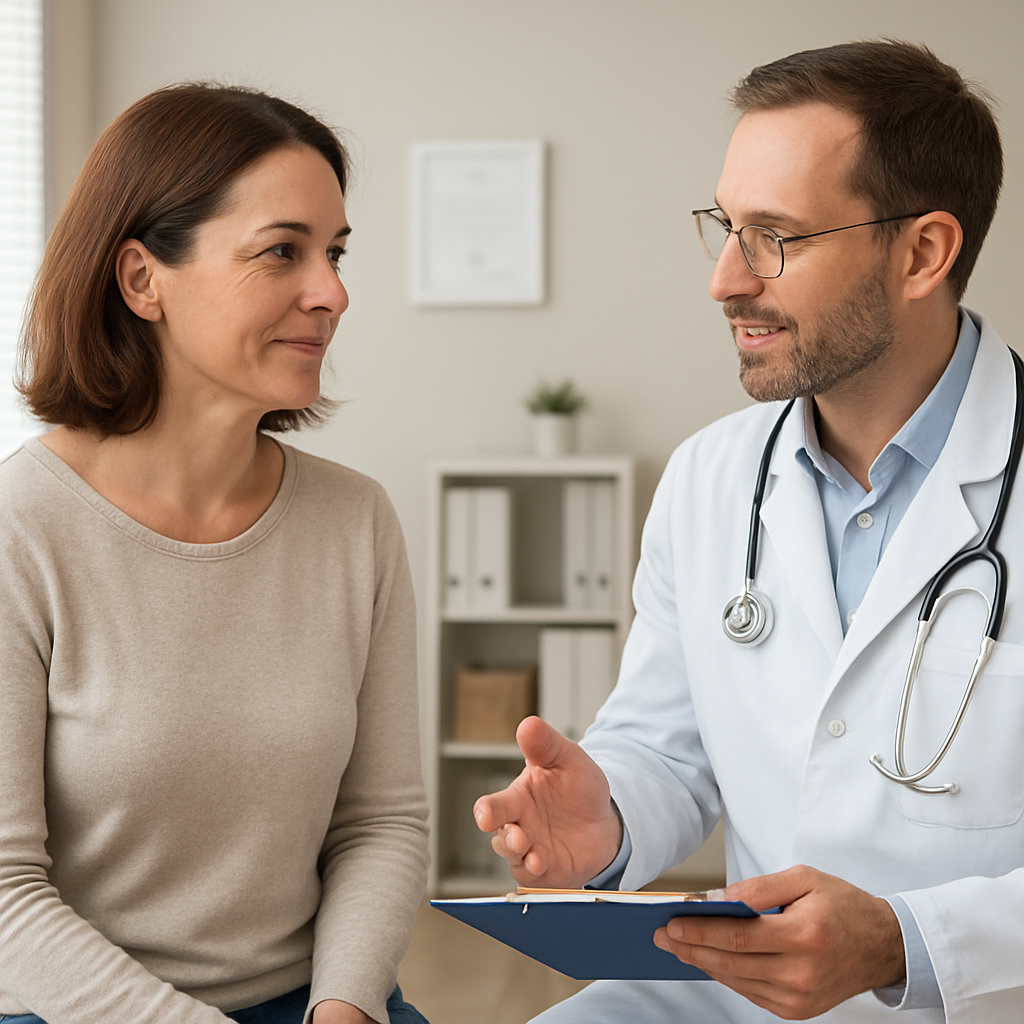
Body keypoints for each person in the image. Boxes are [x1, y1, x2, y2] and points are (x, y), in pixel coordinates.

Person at [474, 39, 1023, 1023]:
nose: (725, 279)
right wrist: (608, 815)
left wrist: (902, 940)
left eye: (774, 237)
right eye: (726, 228)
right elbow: (666, 749)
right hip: (743, 996)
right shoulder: (710, 478)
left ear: (922, 253)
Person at [0, 84, 430, 1024]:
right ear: (142, 280)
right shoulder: (19, 529)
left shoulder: (354, 521)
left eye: (335, 253)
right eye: (282, 251)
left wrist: (345, 1007)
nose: (333, 293)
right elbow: (3, 894)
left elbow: (380, 822)